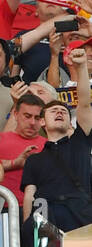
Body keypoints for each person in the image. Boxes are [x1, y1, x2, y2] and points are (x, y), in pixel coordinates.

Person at [22, 47, 92, 234]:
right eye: (54, 111)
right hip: (46, 217)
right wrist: (28, 231)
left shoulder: (80, 142)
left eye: (64, 112)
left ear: (71, 121)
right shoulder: (33, 159)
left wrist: (82, 66)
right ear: (42, 121)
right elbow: (29, 195)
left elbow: (84, 103)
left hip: (80, 216)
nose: (60, 112)